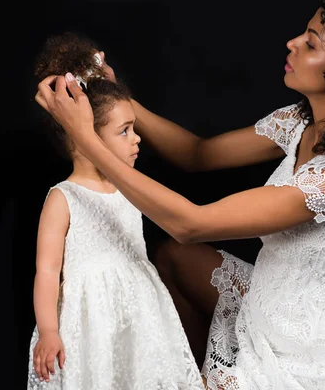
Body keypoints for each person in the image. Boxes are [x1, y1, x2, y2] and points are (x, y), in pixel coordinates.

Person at [34, 0, 325, 388]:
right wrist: (119, 94)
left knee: (182, 243)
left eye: (311, 44)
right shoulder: (301, 122)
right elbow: (198, 154)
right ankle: (183, 374)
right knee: (175, 260)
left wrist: (88, 140)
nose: (292, 43)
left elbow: (191, 223)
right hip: (278, 296)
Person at [26, 32, 205, 390]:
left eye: (134, 128)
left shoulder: (129, 191)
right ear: (82, 136)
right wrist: (48, 330)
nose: (137, 138)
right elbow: (47, 270)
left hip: (141, 313)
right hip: (92, 321)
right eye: (125, 131)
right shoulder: (64, 197)